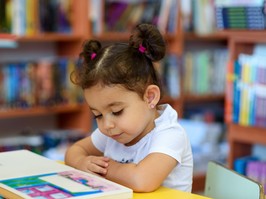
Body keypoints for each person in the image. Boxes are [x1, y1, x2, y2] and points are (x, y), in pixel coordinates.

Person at [65, 23, 193, 193]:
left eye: (117, 111)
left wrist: (102, 168)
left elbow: (142, 181)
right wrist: (82, 163)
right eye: (98, 115)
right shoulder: (114, 132)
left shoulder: (170, 134)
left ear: (150, 97)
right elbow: (74, 151)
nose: (107, 124)